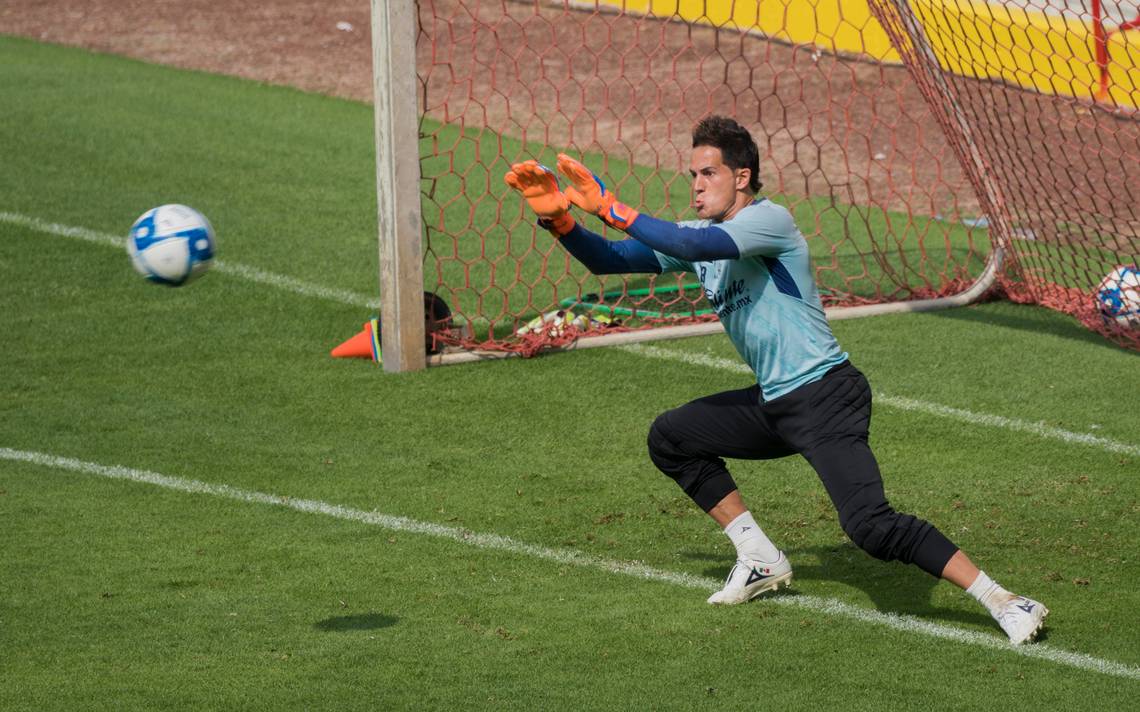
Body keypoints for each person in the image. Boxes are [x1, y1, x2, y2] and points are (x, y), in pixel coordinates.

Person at [504, 115, 1049, 645]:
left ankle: (1004, 599)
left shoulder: (769, 222)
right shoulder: (699, 233)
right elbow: (611, 260)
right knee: (672, 437)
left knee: (871, 527)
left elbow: (693, 248)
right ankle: (761, 558)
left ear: (741, 177)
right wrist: (562, 222)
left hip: (825, 394)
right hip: (776, 404)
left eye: (707, 174)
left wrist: (610, 206)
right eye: (691, 175)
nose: (695, 186)